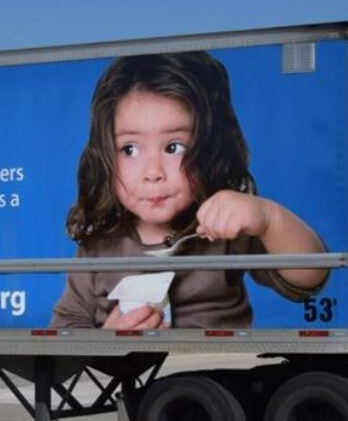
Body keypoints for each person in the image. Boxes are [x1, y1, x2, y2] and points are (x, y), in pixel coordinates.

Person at [50, 51, 328, 329]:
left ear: (211, 150)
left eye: (173, 147)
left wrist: (269, 219)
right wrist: (106, 342)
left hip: (216, 367)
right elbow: (63, 336)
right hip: (130, 369)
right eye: (130, 149)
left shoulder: (223, 226)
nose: (153, 172)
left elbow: (311, 276)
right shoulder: (98, 247)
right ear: (105, 157)